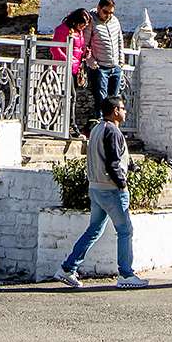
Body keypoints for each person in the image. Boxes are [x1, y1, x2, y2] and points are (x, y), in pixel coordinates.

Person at [53, 97, 147, 289]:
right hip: (111, 189)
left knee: (94, 229)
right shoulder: (112, 131)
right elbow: (113, 162)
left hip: (95, 187)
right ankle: (126, 274)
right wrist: (121, 183)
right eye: (122, 108)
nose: (125, 111)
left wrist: (129, 165)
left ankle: (68, 268)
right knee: (125, 230)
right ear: (114, 111)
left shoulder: (97, 129)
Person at [52, 8, 93, 135]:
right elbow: (55, 48)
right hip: (64, 67)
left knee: (72, 96)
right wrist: (67, 61)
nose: (83, 27)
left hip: (75, 68)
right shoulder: (63, 30)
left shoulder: (78, 31)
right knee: (70, 96)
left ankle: (68, 123)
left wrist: (84, 54)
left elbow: (78, 48)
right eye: (82, 24)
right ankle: (69, 124)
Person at [85, 0, 123, 117]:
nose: (108, 15)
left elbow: (119, 40)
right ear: (98, 8)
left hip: (115, 66)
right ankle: (100, 125)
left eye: (111, 13)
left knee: (114, 101)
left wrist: (121, 61)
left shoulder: (115, 21)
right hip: (100, 67)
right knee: (101, 100)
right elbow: (85, 44)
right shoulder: (91, 22)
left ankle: (111, 125)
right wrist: (90, 60)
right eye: (105, 12)